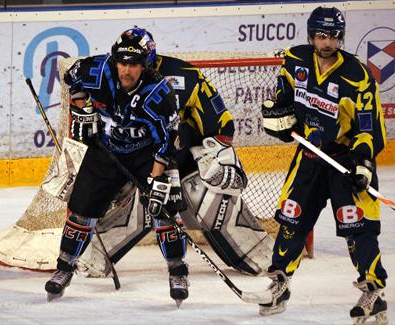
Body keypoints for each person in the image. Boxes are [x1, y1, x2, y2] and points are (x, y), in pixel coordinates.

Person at [74, 27, 273, 307]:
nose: (128, 70)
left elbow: (222, 125)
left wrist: (217, 162)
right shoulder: (109, 75)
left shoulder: (185, 77)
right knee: (113, 198)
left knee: (198, 199)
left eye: (136, 63)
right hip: (128, 160)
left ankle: (252, 254)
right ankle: (90, 253)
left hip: (170, 164)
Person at [259, 6, 388, 325]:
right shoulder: (295, 60)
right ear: (311, 36)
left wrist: (363, 165)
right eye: (321, 35)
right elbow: (283, 102)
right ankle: (280, 284)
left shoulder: (357, 76)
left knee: (357, 226)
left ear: (341, 38)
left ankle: (373, 292)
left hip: (345, 160)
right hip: (310, 156)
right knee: (291, 219)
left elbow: (370, 128)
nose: (327, 42)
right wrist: (278, 120)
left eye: (333, 36)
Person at [44, 28, 180, 301]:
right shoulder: (97, 70)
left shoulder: (160, 94)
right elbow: (73, 77)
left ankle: (178, 271)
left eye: (133, 64)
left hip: (146, 154)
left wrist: (155, 180)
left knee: (164, 209)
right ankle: (64, 269)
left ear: (146, 65)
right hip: (105, 150)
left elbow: (168, 141)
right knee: (81, 212)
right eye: (122, 62)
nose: (126, 71)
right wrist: (82, 108)